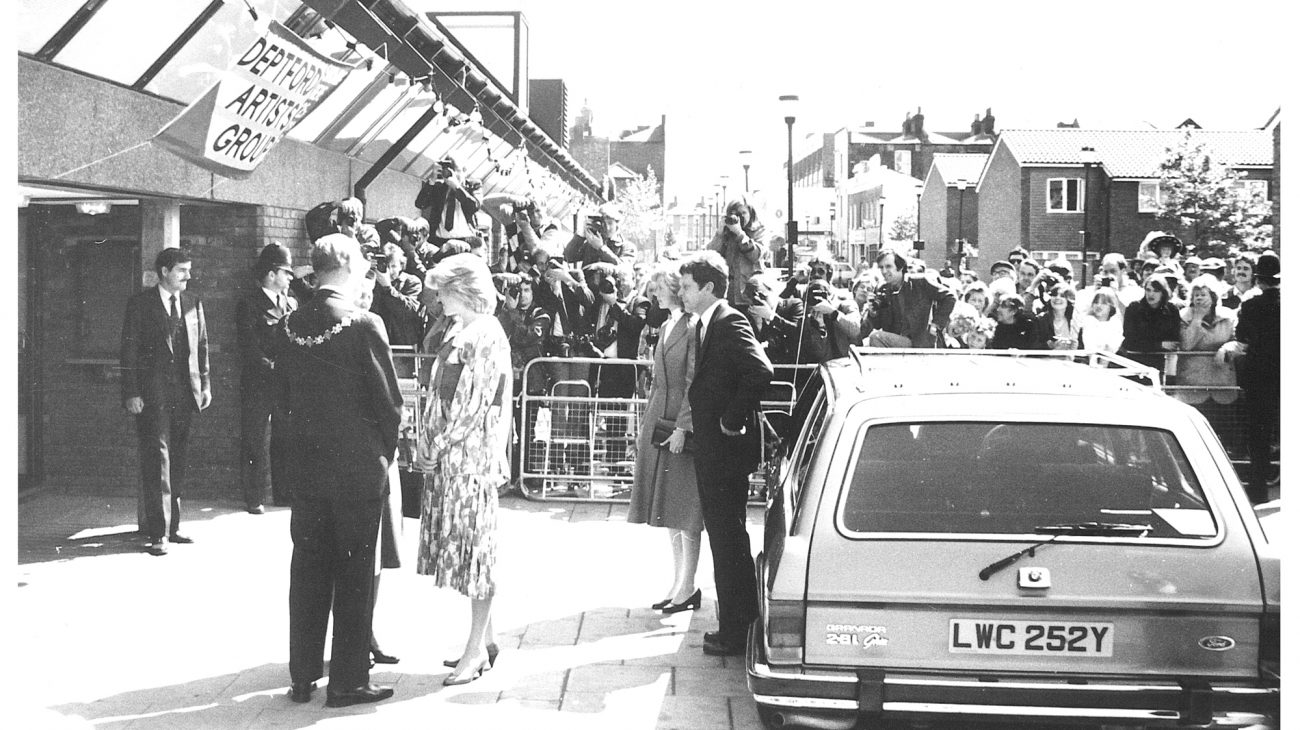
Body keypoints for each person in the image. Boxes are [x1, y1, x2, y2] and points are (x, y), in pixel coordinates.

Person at [275, 233, 402, 708]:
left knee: (306, 571)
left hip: (307, 470)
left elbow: (281, 401)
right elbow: (388, 404)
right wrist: (382, 456)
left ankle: (303, 675)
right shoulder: (364, 323)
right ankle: (348, 680)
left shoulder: (288, 323)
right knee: (353, 576)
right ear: (347, 265)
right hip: (354, 471)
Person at [415, 253, 514, 685]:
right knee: (470, 552)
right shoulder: (462, 329)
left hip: (469, 459)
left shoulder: (486, 333)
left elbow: (474, 405)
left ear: (462, 289)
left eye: (442, 289)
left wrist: (435, 442)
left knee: (477, 556)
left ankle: (475, 651)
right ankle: (483, 643)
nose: (437, 297)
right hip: (454, 458)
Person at [679, 251, 774, 657]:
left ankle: (737, 631)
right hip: (714, 451)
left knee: (728, 539)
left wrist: (731, 420)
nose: (681, 293)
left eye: (686, 287)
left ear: (709, 288)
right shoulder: (707, 323)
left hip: (725, 452)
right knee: (726, 538)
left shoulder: (729, 321)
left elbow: (761, 371)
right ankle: (740, 622)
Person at [120, 248, 210, 556]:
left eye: (188, 270)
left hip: (186, 394)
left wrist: (205, 385)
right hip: (151, 395)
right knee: (157, 459)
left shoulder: (193, 302)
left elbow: (202, 347)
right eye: (181, 270)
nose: (188, 276)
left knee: (179, 458)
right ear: (163, 272)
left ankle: (174, 526)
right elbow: (128, 351)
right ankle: (158, 533)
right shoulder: (141, 304)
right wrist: (131, 392)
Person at [628, 265, 703, 615]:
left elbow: (691, 381)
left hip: (675, 422)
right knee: (666, 509)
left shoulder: (689, 328)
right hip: (658, 415)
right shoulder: (667, 324)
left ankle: (688, 584)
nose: (654, 294)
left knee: (684, 508)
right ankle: (678, 582)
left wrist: (682, 427)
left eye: (659, 288)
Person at [235, 243, 295, 514]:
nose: (290, 278)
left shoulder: (291, 303)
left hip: (285, 383)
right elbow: (249, 345)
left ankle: (283, 493)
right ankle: (254, 496)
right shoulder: (249, 304)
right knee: (254, 440)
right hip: (258, 382)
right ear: (271, 274)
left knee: (285, 438)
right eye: (286, 272)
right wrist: (271, 366)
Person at [1223, 251, 1279, 503]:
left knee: (1259, 431)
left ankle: (1259, 487)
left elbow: (1242, 338)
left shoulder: (1251, 304)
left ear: (1258, 278)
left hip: (1260, 374)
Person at [866, 250, 956, 348]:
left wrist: (936, 324)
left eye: (888, 266)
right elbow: (877, 325)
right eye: (881, 267)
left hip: (920, 342)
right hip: (896, 343)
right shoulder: (882, 288)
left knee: (876, 337)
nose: (884, 271)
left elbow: (949, 296)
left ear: (900, 267)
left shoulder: (919, 282)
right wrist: (873, 312)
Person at [706, 196, 767, 311]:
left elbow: (755, 255)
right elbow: (711, 256)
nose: (739, 217)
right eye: (735, 214)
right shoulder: (725, 233)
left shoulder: (758, 231)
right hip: (728, 294)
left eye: (743, 213)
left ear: (751, 213)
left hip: (750, 294)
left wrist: (740, 234)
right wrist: (719, 233)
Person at [1121, 276, 1181, 375]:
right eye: (1148, 290)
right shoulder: (1134, 308)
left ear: (1163, 292)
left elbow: (1173, 341)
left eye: (1156, 291)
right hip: (1135, 362)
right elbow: (1130, 340)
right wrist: (1159, 345)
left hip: (1160, 363)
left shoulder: (1172, 310)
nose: (1151, 294)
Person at [564, 202, 635, 267]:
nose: (607, 227)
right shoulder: (592, 243)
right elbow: (568, 257)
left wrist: (601, 248)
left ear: (617, 225)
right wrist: (581, 235)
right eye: (603, 223)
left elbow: (622, 268)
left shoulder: (627, 247)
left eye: (610, 223)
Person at [1077, 287, 1124, 353]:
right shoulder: (1087, 322)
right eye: (1096, 302)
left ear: (1111, 307)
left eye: (1103, 303)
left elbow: (1112, 348)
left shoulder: (1115, 324)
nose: (1098, 305)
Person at [1034, 283, 1079, 350]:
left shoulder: (1075, 319)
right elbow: (1033, 345)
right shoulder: (1040, 319)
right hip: (1048, 359)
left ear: (1069, 300)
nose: (1057, 298)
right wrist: (1051, 346)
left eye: (1062, 296)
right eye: (1054, 295)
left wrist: (1075, 346)